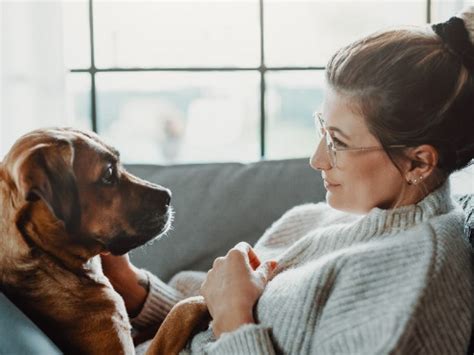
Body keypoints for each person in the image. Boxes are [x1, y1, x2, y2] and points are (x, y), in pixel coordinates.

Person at [101, 7, 474, 354]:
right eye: (322, 129)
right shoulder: (316, 219)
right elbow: (203, 322)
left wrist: (235, 319)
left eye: (338, 142)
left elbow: (225, 320)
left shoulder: (413, 289)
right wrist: (133, 289)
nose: (317, 159)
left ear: (420, 162)